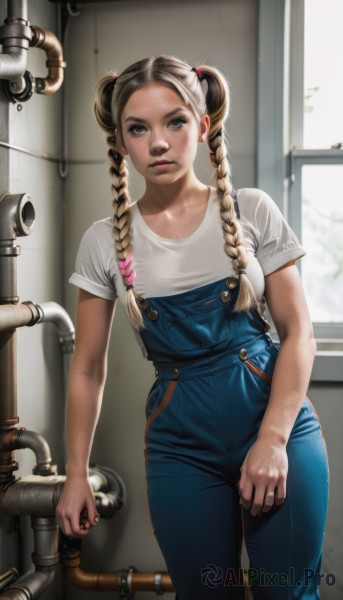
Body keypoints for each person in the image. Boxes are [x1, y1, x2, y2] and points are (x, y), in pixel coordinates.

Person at [56, 55, 329, 599]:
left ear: (203, 125)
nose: (158, 142)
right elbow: (87, 368)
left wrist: (273, 441)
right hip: (180, 442)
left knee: (287, 592)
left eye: (175, 121)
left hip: (276, 422)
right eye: (138, 128)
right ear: (121, 139)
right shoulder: (103, 241)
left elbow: (299, 334)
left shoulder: (253, 210)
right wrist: (76, 473)